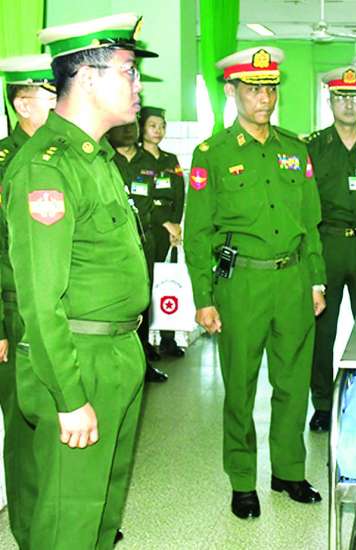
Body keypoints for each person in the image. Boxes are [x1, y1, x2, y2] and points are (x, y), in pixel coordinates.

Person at [3, 13, 157, 549]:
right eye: (129, 71)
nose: (138, 85)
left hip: (118, 350)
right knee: (69, 520)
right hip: (79, 359)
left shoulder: (97, 158)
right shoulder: (47, 168)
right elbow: (40, 300)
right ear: (88, 78)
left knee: (101, 510)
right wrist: (68, 397)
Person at [184, 46, 326, 520]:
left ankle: (288, 470)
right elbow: (197, 233)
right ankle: (243, 479)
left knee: (293, 383)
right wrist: (203, 298)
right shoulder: (212, 154)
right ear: (232, 91)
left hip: (293, 281)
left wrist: (317, 281)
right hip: (241, 283)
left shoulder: (295, 150)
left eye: (270, 88)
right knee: (241, 387)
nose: (264, 98)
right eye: (253, 89)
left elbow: (311, 224)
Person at [304, 66, 356, 432]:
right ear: (330, 101)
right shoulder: (313, 147)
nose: (349, 104)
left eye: (355, 97)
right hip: (327, 244)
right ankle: (322, 402)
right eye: (341, 97)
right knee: (323, 331)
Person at [0, 53, 56, 550]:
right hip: (15, 311)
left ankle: (63, 517)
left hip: (62, 309)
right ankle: (29, 529)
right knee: (23, 425)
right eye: (52, 94)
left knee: (64, 418)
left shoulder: (62, 155)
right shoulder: (5, 160)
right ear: (22, 103)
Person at [108, 121, 169, 383]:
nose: (127, 130)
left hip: (146, 239)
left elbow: (162, 196)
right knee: (115, 300)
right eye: (121, 125)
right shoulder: (104, 159)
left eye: (132, 124)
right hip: (113, 243)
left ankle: (142, 361)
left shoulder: (150, 160)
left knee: (143, 300)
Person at [138, 105, 186, 358]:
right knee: (147, 284)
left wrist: (175, 223)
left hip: (170, 230)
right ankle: (144, 343)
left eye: (162, 126)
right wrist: (165, 222)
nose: (158, 130)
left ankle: (169, 339)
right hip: (148, 227)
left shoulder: (170, 159)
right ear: (141, 128)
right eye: (153, 126)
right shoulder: (135, 159)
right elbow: (140, 198)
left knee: (169, 282)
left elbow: (180, 192)